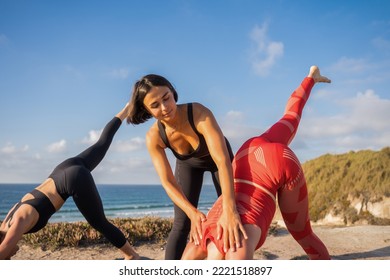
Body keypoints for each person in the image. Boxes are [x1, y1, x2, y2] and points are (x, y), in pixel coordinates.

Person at [181, 65, 331, 260]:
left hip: (274, 162)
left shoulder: (233, 249)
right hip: (251, 151)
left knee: (304, 234)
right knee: (290, 118)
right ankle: (310, 78)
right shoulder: (197, 242)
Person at [127, 75, 247, 259]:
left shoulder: (198, 112)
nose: (165, 107)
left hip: (218, 161)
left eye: (166, 98)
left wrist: (229, 208)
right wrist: (192, 213)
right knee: (181, 223)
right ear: (147, 110)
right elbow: (167, 181)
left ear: (173, 93)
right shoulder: (154, 137)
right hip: (188, 165)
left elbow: (222, 161)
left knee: (232, 211)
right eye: (155, 105)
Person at [0, 103, 140, 260]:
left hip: (73, 179)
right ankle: (128, 108)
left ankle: (132, 256)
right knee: (102, 143)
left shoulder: (16, 223)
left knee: (99, 222)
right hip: (62, 169)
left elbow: (4, 250)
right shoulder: (6, 221)